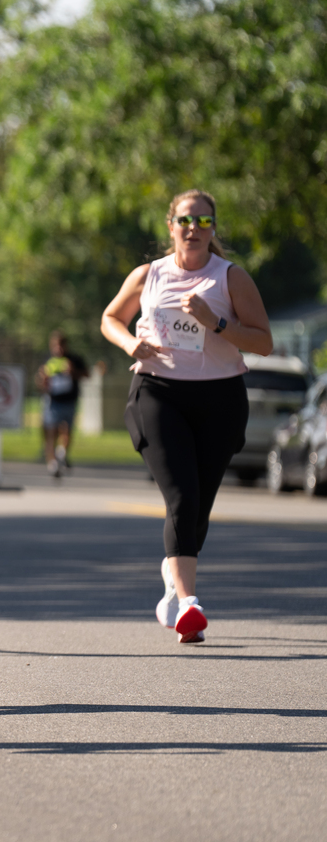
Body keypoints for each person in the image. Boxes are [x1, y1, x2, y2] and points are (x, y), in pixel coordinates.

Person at [99, 189, 272, 644]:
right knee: (182, 495)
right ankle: (190, 603)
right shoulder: (149, 274)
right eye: (185, 220)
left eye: (204, 222)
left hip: (219, 399)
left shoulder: (230, 278)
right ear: (169, 225)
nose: (193, 229)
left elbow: (263, 342)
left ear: (214, 228)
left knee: (198, 507)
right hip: (158, 393)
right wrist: (128, 344)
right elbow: (110, 318)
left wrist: (216, 322)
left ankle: (174, 581)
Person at [38, 330, 89, 477]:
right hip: (52, 401)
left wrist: (73, 372)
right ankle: (52, 464)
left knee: (67, 430)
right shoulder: (48, 360)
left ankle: (62, 453)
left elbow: (86, 374)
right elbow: (40, 381)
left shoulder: (74, 359)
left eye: (61, 345)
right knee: (51, 431)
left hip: (70, 401)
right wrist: (43, 379)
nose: (58, 348)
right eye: (55, 345)